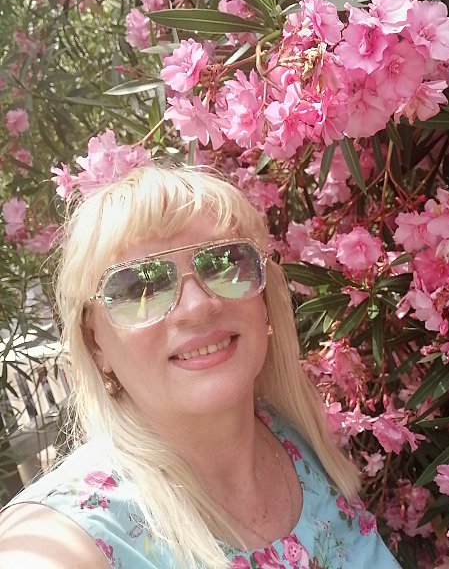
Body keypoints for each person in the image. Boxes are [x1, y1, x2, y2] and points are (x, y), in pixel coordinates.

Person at [0, 164, 401, 569]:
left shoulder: (297, 441)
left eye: (225, 263)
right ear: (95, 343)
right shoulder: (73, 532)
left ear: (264, 299)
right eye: (141, 287)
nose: (197, 306)